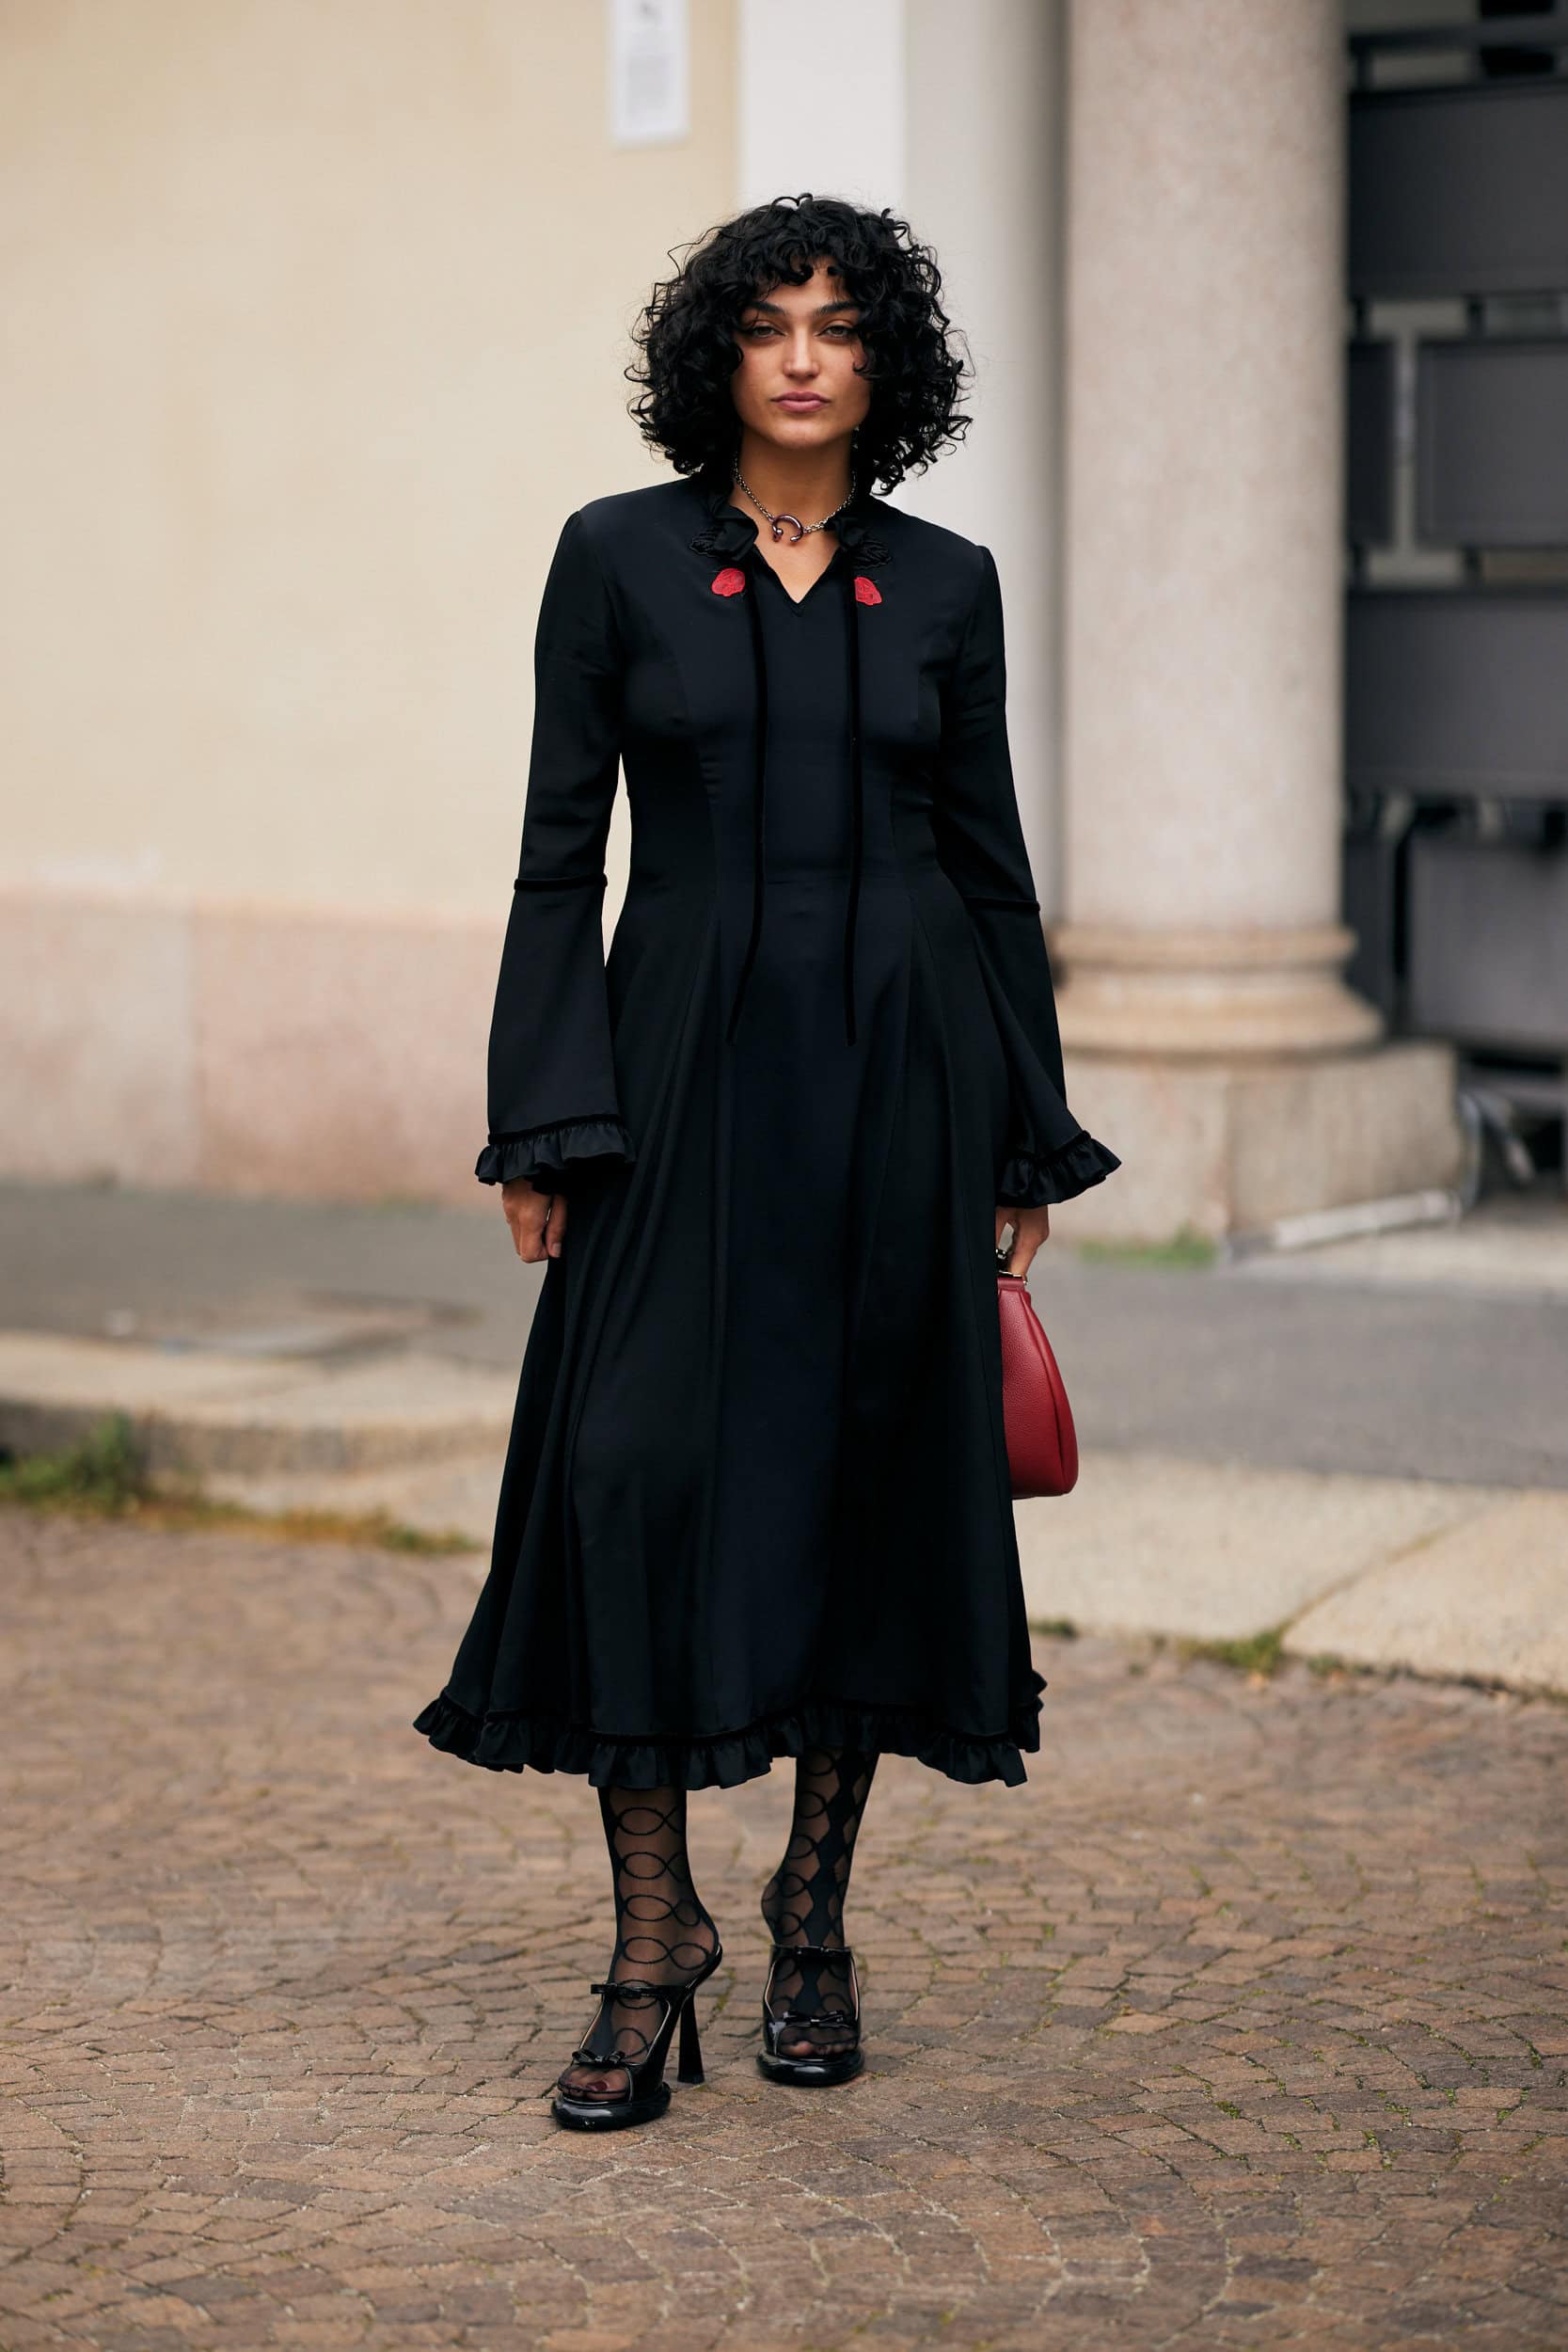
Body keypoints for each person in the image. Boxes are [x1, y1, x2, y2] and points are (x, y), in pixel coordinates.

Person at [413, 192, 1121, 2130]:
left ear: (885, 364)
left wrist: (1022, 1128)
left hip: (901, 1076)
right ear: (716, 357)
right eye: (768, 324)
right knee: (631, 1466)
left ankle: (814, 1915)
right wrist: (543, 1115)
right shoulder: (616, 557)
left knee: (863, 1476)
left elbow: (990, 867)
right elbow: (558, 852)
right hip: (674, 1073)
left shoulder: (950, 582)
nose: (804, 357)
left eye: (839, 326)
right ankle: (659, 1936)